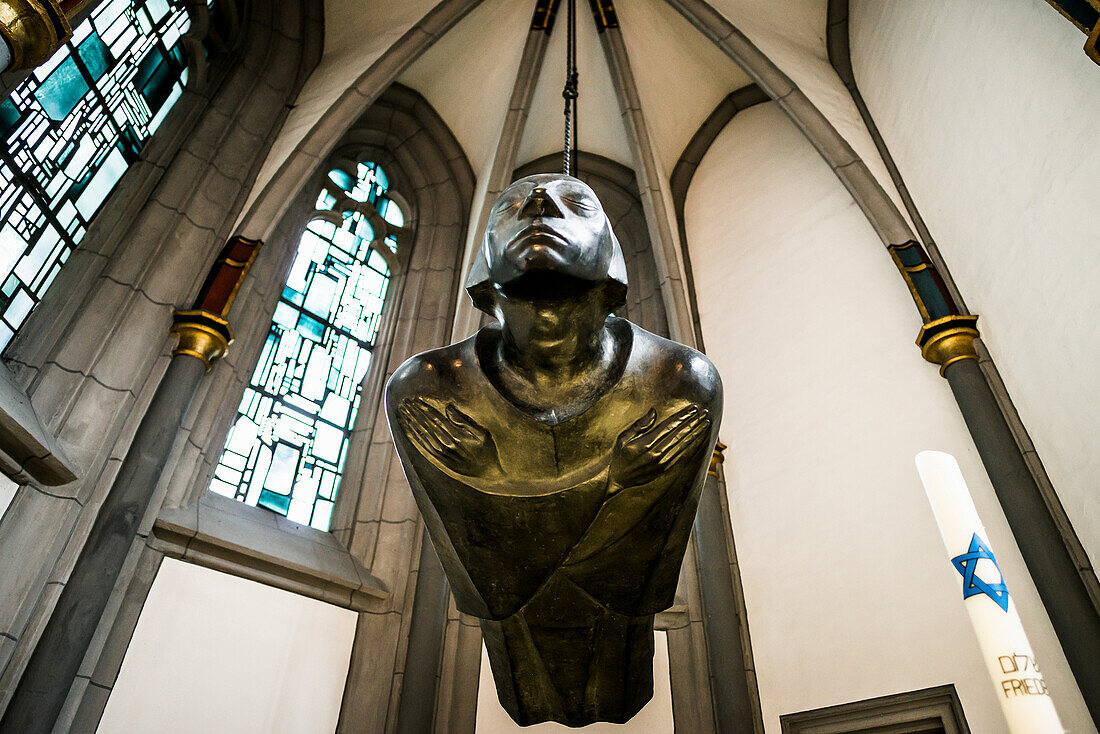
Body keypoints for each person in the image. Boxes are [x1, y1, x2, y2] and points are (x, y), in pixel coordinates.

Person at [386, 173, 722, 726]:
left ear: (610, 256)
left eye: (575, 203)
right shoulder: (427, 387)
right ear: (485, 264)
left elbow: (630, 572)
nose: (538, 206)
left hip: (618, 639)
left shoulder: (678, 381)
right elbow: (483, 573)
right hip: (513, 642)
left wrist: (491, 484)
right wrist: (614, 479)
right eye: (511, 206)